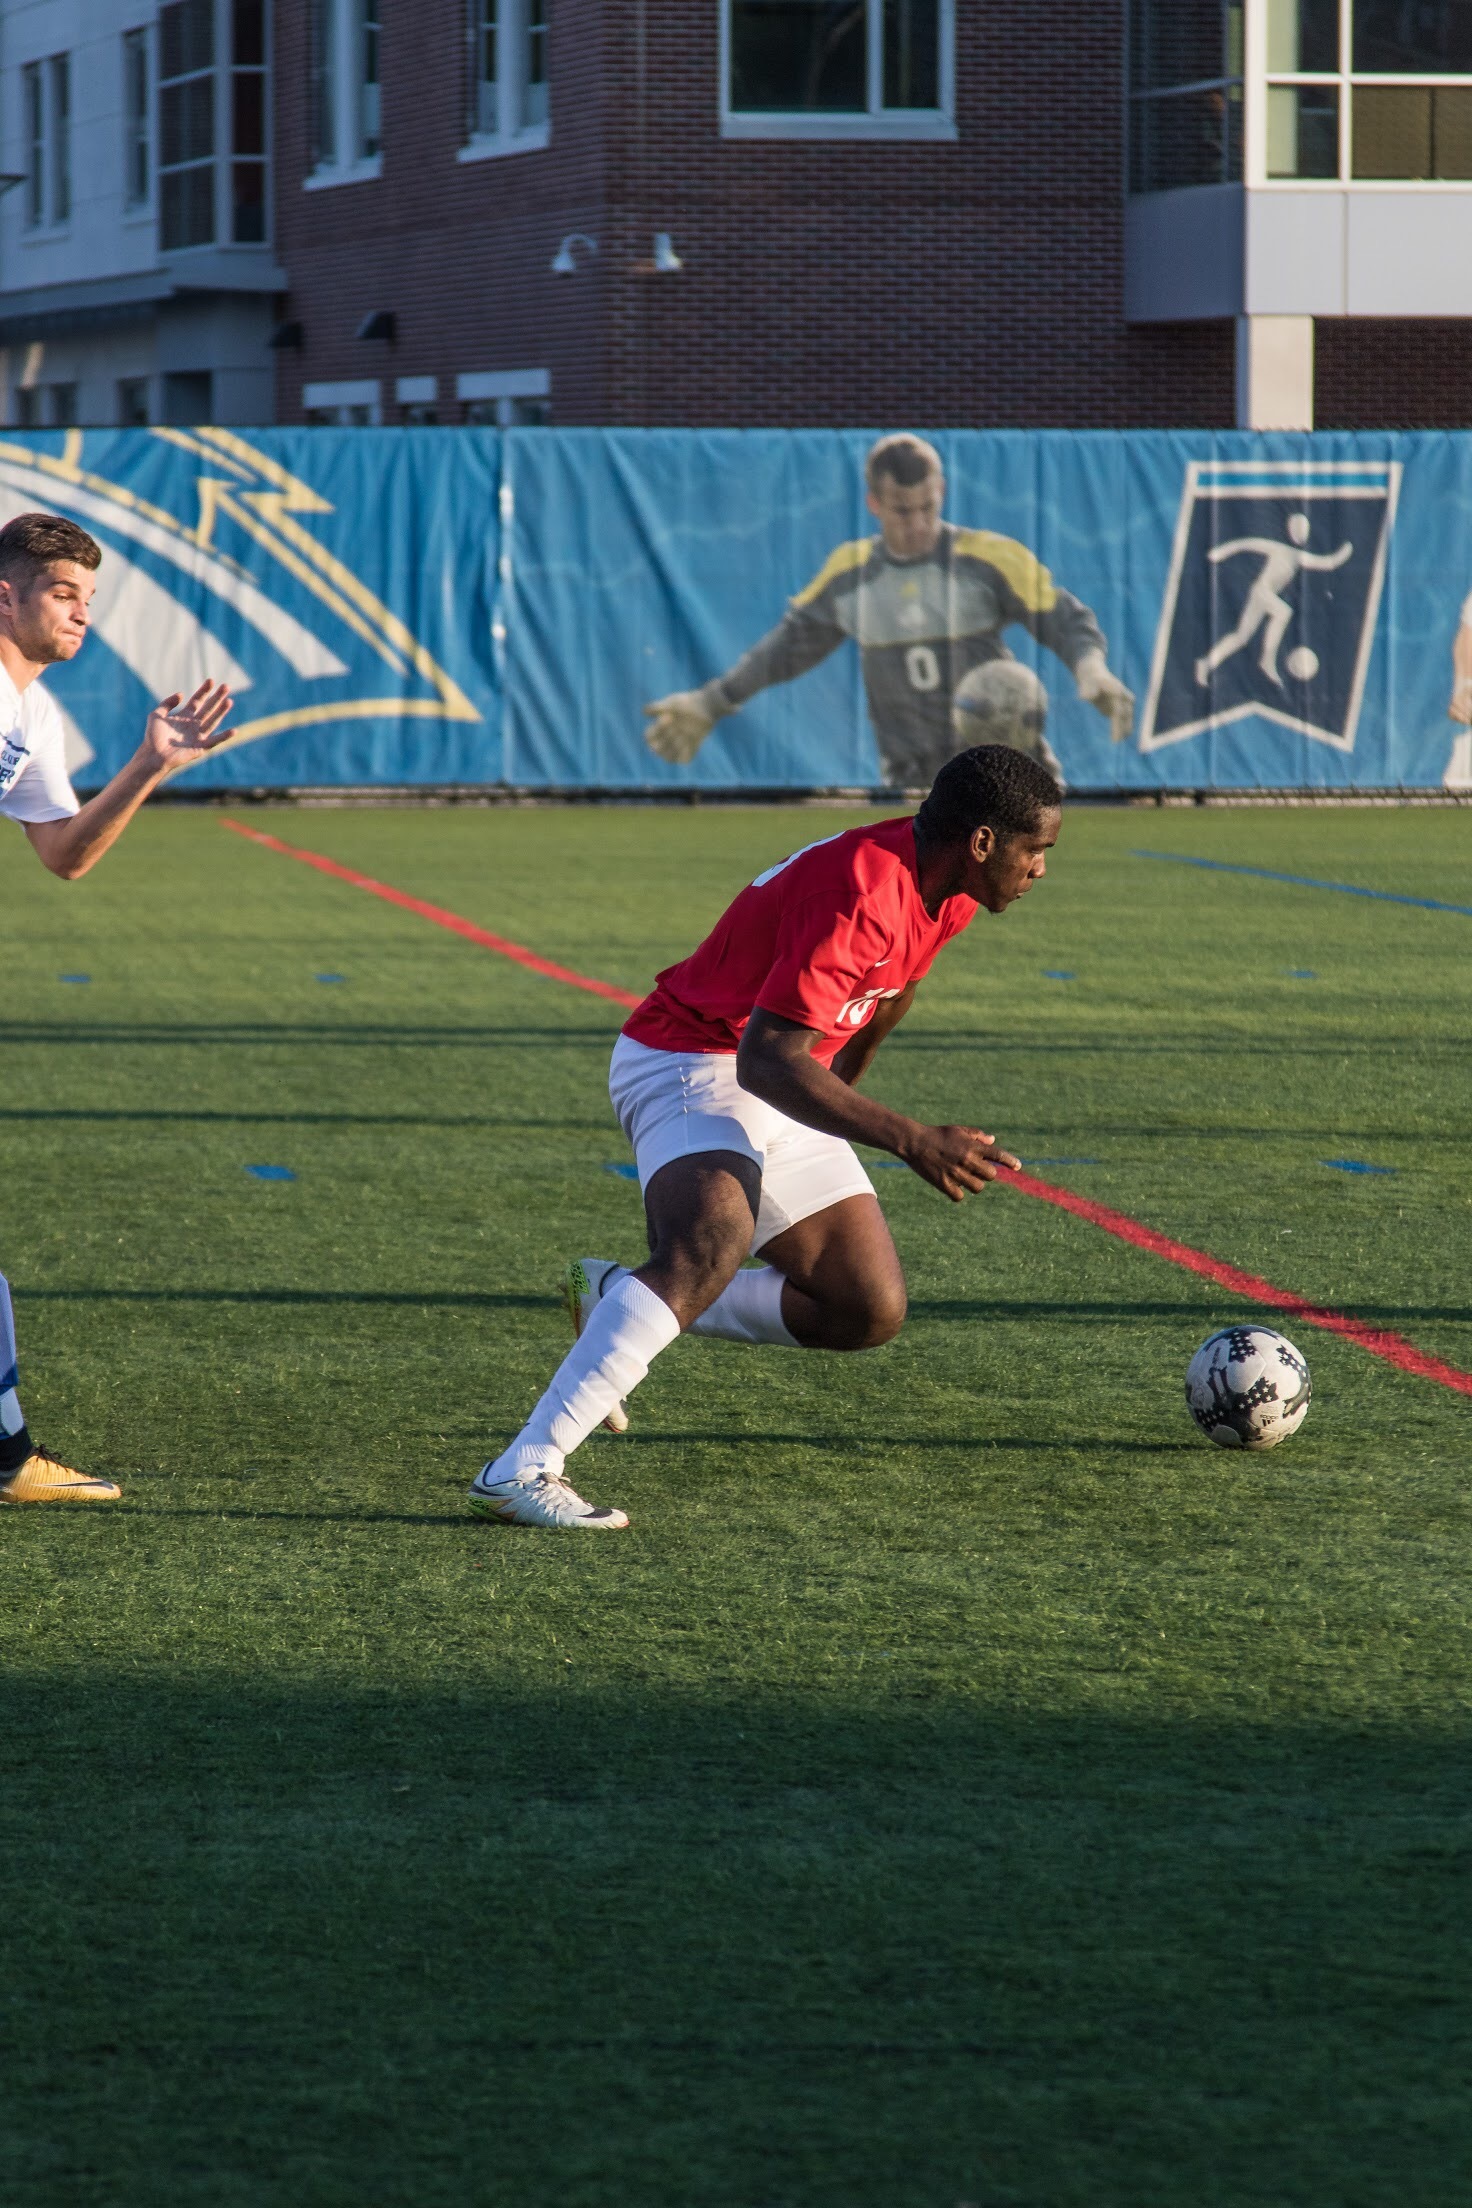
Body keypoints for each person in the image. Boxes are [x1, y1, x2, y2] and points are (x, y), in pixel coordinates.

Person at [469, 743, 1062, 1529]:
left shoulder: (945, 886)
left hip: (778, 1066)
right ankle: (521, 1468)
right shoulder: (861, 890)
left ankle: (616, 1296)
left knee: (866, 1307)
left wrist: (836, 1098)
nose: (1040, 868)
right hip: (687, 1056)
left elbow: (892, 993)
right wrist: (912, 1139)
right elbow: (763, 1059)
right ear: (983, 841)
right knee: (709, 1245)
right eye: (1035, 848)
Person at [0, 511, 233, 1505]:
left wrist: (149, 765)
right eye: (63, 593)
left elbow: (65, 854)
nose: (81, 614)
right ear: (5, 595)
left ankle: (5, 1455)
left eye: (90, 599)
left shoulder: (33, 714)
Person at [642, 433, 1132, 789]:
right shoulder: (849, 575)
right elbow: (784, 651)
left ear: (941, 492)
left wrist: (1092, 668)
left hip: (1008, 773)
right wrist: (710, 703)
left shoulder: (989, 557)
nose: (918, 523)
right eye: (902, 510)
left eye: (928, 507)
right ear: (874, 503)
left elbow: (1064, 619)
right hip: (912, 783)